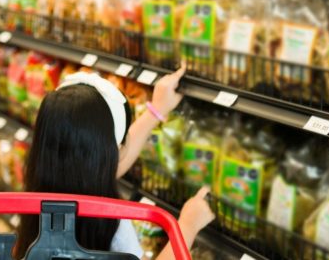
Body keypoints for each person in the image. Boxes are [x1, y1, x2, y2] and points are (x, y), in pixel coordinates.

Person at [14, 68, 215, 259]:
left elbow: (95, 165)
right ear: (112, 153)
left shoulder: (37, 194)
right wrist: (188, 226)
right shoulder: (113, 223)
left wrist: (157, 110)